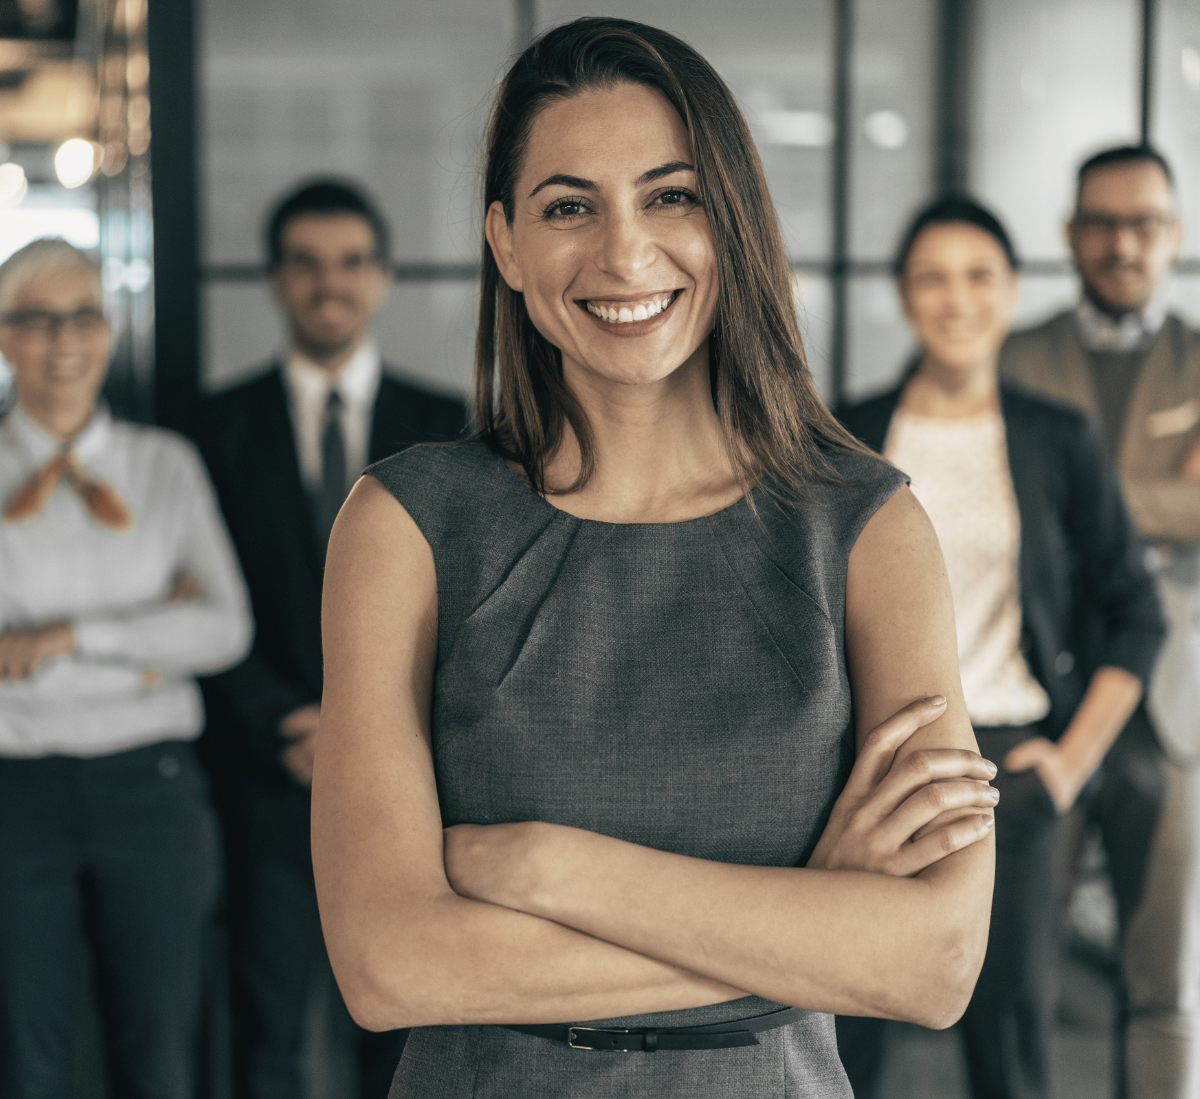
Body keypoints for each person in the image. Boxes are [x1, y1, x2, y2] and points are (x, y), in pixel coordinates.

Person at [311, 19, 1001, 1099]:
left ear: (731, 220)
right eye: (569, 206)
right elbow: (389, 964)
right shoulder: (403, 525)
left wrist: (542, 866)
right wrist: (805, 917)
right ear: (505, 243)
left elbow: (935, 962)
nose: (625, 254)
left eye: (671, 195)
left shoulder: (866, 528)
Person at [834, 195, 1165, 1099]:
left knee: (1009, 1036)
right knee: (842, 1031)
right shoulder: (845, 434)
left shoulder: (1057, 438)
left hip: (1007, 774)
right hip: (872, 772)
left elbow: (1137, 611)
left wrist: (1068, 765)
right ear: (902, 295)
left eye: (979, 274)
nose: (955, 297)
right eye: (931, 276)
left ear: (1012, 291)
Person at [195, 179, 466, 1099]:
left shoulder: (451, 428)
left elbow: (467, 607)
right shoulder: (211, 429)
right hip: (273, 771)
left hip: (411, 782)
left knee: (394, 1030)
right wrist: (291, 723)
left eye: (351, 262)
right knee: (267, 1029)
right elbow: (200, 604)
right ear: (274, 280)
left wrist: (375, 731)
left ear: (383, 277)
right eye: (305, 263)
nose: (329, 284)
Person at [0, 238, 252, 1098]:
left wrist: (66, 640)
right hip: (13, 788)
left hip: (150, 787)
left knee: (160, 1052)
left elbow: (223, 629)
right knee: (22, 1053)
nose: (62, 340)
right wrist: (152, 643)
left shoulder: (164, 465)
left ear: (109, 331)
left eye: (82, 316)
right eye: (35, 320)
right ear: (3, 339)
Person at [1000, 144, 1200, 1099]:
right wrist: (1167, 495)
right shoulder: (1014, 355)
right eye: (1104, 223)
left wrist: (1078, 495)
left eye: (1145, 224)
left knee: (1162, 981)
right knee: (1019, 971)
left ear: (1174, 236)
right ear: (1072, 235)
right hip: (1042, 698)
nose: (1124, 244)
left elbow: (1054, 510)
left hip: (1170, 713)